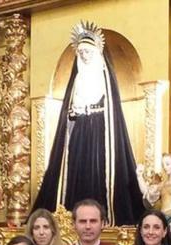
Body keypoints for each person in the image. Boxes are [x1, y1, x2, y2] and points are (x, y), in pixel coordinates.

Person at [32, 21, 144, 226]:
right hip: (79, 132)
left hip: (101, 133)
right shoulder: (76, 80)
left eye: (88, 52)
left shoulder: (103, 77)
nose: (84, 56)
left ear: (96, 52)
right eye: (81, 52)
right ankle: (69, 216)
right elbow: (68, 112)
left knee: (100, 171)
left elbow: (112, 113)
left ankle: (104, 216)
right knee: (76, 169)